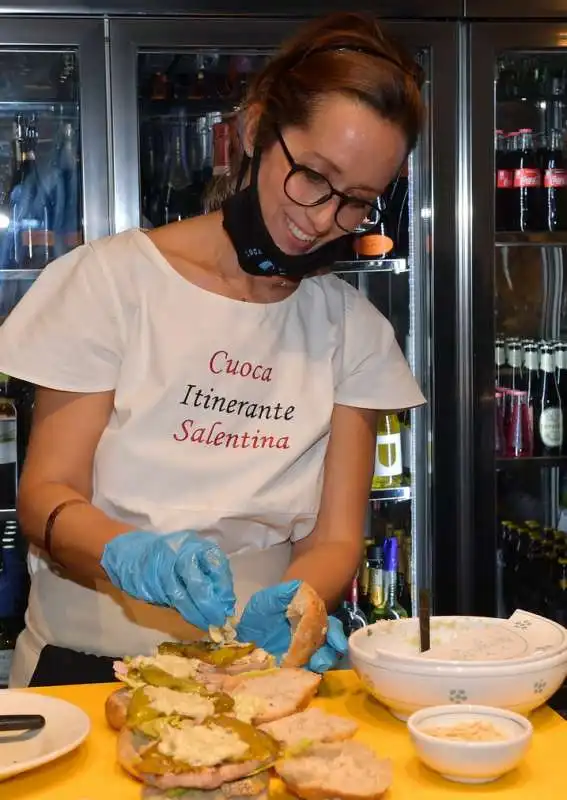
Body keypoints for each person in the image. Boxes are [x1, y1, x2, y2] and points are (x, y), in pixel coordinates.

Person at [0, 12, 426, 687]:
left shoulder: (351, 328)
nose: (321, 219)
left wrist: (299, 601)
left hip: (257, 674)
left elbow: (335, 538)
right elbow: (44, 495)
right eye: (314, 176)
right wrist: (125, 557)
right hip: (83, 666)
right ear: (256, 128)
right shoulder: (112, 282)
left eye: (355, 201)